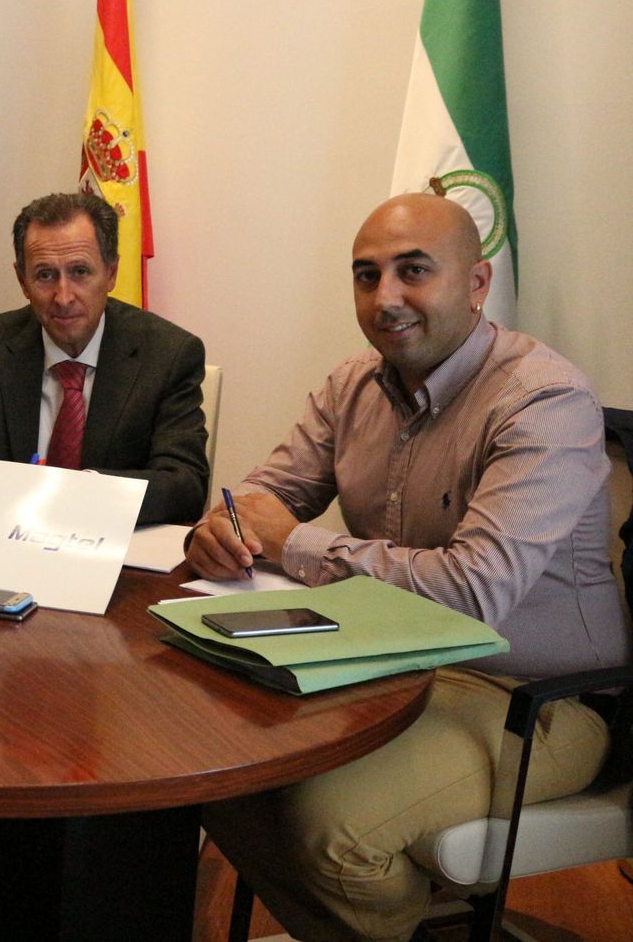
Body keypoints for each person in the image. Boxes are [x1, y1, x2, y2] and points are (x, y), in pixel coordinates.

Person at [186, 193, 630, 942]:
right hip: (391, 664)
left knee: (334, 831)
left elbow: (473, 591)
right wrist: (222, 530)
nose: (385, 297)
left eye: (413, 270)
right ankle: (413, 927)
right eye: (366, 275)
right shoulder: (353, 382)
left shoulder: (544, 400)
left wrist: (292, 541)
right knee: (210, 769)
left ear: (478, 283)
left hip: (540, 699)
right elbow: (260, 498)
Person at [0, 191, 208, 524]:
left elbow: (185, 484)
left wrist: (75, 494)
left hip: (112, 549)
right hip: (7, 541)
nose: (63, 297)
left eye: (80, 272)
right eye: (45, 275)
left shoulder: (168, 354)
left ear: (111, 273)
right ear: (22, 281)